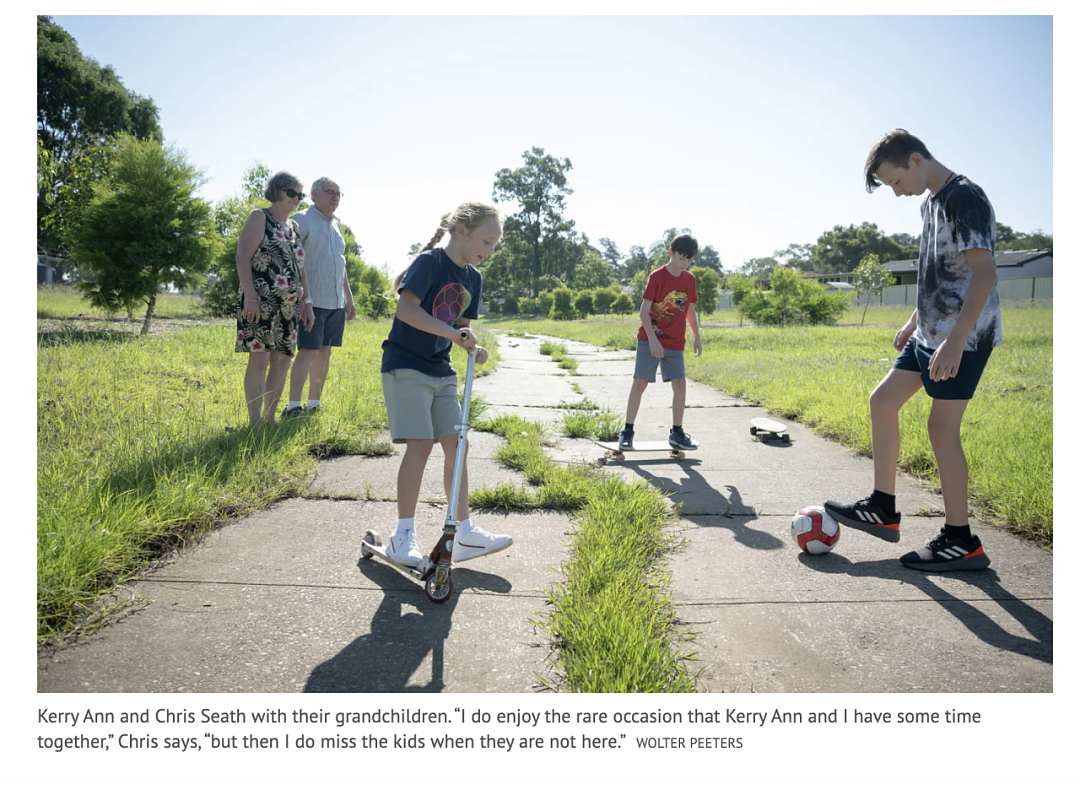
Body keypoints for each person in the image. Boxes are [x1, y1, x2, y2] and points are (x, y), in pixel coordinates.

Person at [825, 129, 1000, 571]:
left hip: (964, 337)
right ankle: (883, 508)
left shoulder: (966, 198)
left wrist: (955, 341)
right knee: (882, 402)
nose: (897, 193)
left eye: (896, 181)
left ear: (916, 160)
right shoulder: (930, 202)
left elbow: (984, 275)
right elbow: (936, 270)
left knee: (941, 430)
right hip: (930, 333)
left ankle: (961, 540)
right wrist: (915, 321)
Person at [380, 202, 513, 567]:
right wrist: (455, 335)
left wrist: (474, 345)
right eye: (486, 242)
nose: (489, 251)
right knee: (420, 446)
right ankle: (402, 535)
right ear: (462, 231)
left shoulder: (474, 278)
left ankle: (464, 531)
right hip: (405, 365)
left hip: (440, 369)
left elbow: (463, 327)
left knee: (458, 444)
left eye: (494, 245)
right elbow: (406, 310)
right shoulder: (429, 262)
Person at [235, 171, 315, 426]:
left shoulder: (295, 227)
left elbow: (300, 266)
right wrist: (250, 297)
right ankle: (255, 421)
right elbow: (242, 256)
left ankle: (270, 420)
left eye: (300, 195)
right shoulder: (260, 217)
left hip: (290, 305)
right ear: (277, 191)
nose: (296, 198)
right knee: (260, 359)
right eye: (291, 192)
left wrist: (307, 302)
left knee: (282, 361)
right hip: (260, 302)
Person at [617, 233, 703, 452]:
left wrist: (697, 337)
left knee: (680, 384)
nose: (684, 263)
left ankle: (677, 433)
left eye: (689, 260)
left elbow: (690, 310)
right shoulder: (657, 277)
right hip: (649, 339)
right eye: (681, 258)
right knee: (640, 383)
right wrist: (653, 340)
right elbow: (644, 312)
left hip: (675, 343)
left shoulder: (689, 280)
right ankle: (627, 432)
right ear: (670, 253)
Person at [283, 177, 355, 417]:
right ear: (314, 195)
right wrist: (304, 300)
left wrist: (349, 297)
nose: (335, 198)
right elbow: (293, 262)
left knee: (326, 352)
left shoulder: (337, 226)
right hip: (311, 302)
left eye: (339, 194)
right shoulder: (300, 220)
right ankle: (293, 406)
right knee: (308, 351)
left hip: (335, 302)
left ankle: (314, 403)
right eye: (330, 192)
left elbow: (340, 265)